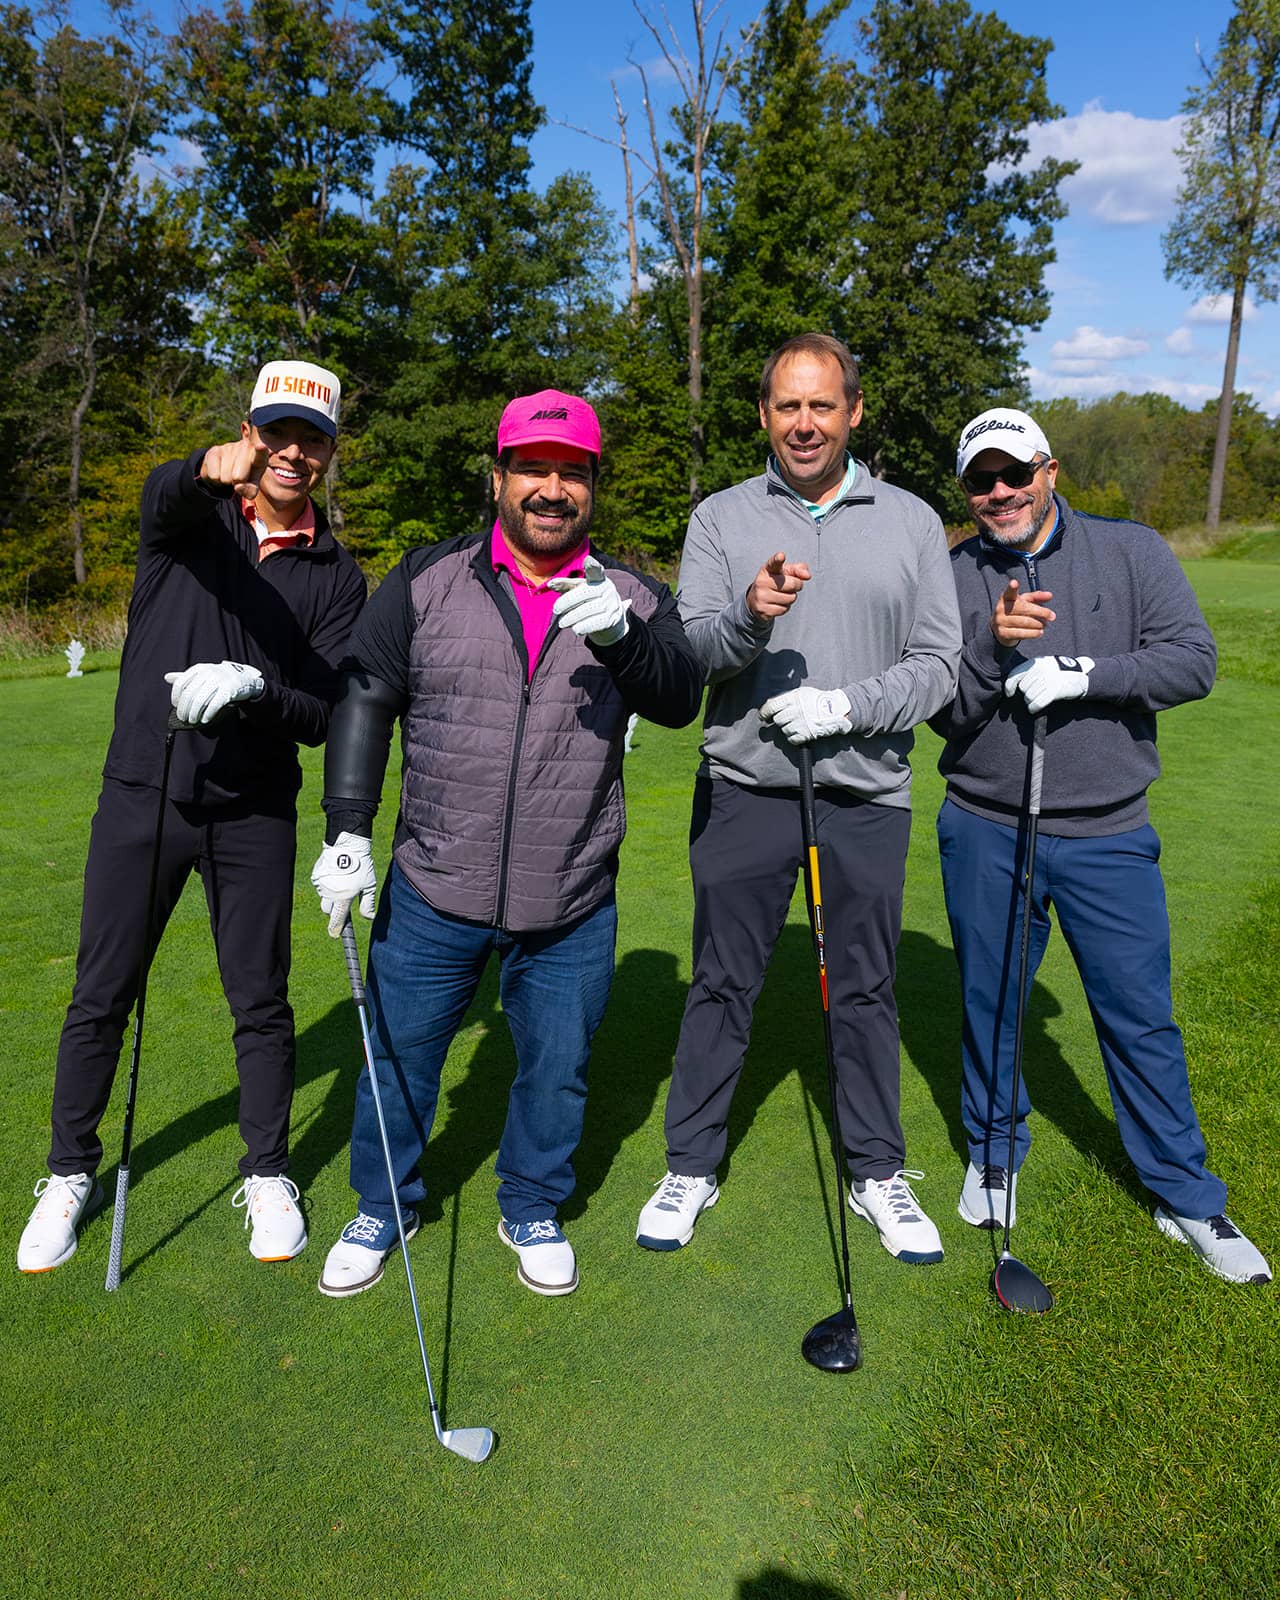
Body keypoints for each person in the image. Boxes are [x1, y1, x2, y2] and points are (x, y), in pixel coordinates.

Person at [309, 389, 702, 1299]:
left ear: (593, 487)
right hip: (433, 884)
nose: (552, 489)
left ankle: (530, 1200)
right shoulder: (428, 577)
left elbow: (680, 697)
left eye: (572, 473)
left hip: (567, 896)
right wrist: (344, 834)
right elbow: (365, 693)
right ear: (499, 477)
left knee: (557, 1070)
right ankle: (383, 1201)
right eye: (534, 469)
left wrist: (622, 638)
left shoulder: (634, 593)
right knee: (402, 1058)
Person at [17, 360, 366, 1274]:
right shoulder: (189, 521)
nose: (292, 452)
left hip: (253, 811)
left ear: (330, 452)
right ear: (250, 432)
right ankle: (67, 1172)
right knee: (103, 993)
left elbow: (324, 713)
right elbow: (160, 492)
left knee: (260, 1001)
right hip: (146, 789)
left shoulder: (337, 573)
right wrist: (203, 468)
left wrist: (256, 689)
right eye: (275, 433)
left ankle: (268, 1173)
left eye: (311, 438)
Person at [635, 333, 962, 1263]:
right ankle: (690, 1164)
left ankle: (877, 1173)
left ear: (854, 412)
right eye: (788, 406)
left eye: (823, 405)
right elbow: (691, 652)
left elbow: (940, 667)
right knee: (722, 982)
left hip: (866, 792)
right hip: (747, 787)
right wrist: (749, 616)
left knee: (865, 989)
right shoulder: (722, 517)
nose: (805, 423)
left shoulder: (909, 520)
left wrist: (849, 707)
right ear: (766, 416)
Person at [933, 405, 1270, 1284]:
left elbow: (1192, 661)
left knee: (1137, 1014)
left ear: (1050, 469)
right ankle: (995, 1150)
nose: (999, 492)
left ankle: (1186, 1193)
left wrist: (1087, 675)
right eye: (980, 480)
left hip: (1107, 831)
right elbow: (942, 709)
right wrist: (987, 648)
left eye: (1014, 473)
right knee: (991, 1001)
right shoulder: (953, 568)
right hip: (985, 825)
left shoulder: (1131, 550)